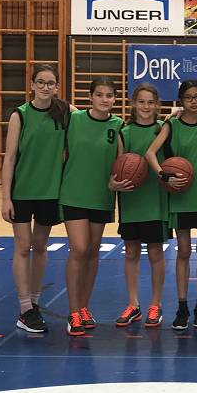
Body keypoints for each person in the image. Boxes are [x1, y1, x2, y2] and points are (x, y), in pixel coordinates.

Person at [0, 64, 69, 335]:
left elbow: (94, 116)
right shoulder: (20, 115)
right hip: (22, 192)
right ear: (31, 85)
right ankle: (25, 308)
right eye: (40, 82)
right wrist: (5, 197)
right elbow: (9, 158)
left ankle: (35, 303)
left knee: (40, 246)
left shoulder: (64, 111)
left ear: (57, 87)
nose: (45, 87)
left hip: (50, 192)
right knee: (23, 246)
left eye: (50, 83)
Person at [146, 79, 197, 331]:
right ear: (181, 100)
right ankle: (182, 306)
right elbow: (150, 153)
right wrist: (163, 175)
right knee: (184, 251)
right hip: (181, 194)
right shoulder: (172, 125)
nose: (193, 101)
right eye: (188, 97)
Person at [59, 77, 122, 337]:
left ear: (115, 99)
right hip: (73, 194)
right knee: (80, 249)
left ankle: (84, 307)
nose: (104, 100)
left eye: (109, 95)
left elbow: (122, 161)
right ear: (90, 97)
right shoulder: (74, 119)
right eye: (99, 95)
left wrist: (116, 180)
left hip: (101, 196)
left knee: (93, 252)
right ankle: (73, 311)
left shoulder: (118, 126)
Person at [113, 83, 169, 329]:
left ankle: (155, 304)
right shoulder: (124, 132)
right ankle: (133, 304)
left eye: (150, 102)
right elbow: (119, 164)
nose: (146, 106)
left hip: (155, 200)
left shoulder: (163, 129)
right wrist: (116, 182)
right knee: (131, 252)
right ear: (133, 104)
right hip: (131, 199)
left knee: (156, 252)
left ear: (156, 105)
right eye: (142, 102)